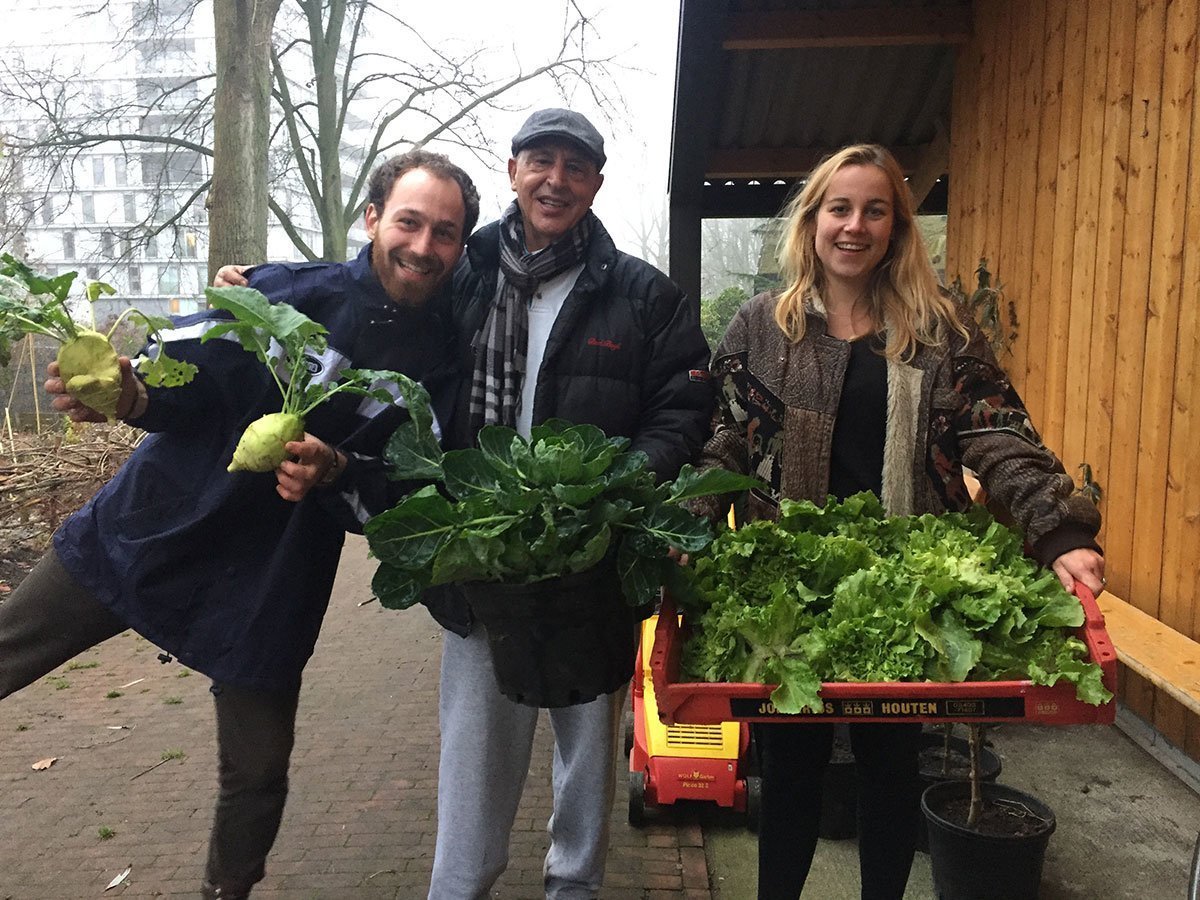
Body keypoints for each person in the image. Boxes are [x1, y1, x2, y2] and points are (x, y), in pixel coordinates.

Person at [0, 149, 480, 899]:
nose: (423, 246)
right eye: (409, 222)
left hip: (274, 575)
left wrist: (337, 468)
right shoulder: (283, 293)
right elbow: (180, 377)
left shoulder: (441, 365)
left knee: (257, 773)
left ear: (461, 246)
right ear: (373, 219)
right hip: (157, 523)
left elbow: (409, 487)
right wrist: (126, 394)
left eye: (444, 233)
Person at [690, 143, 1104, 900]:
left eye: (874, 211)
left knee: (889, 772)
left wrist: (1060, 532)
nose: (855, 226)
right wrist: (686, 529)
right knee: (790, 774)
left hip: (901, 596)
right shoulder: (761, 327)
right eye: (839, 208)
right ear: (813, 221)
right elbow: (720, 444)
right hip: (791, 592)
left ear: (897, 228)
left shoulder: (938, 330)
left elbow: (998, 434)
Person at [432, 108, 711, 899]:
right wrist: (266, 285)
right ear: (513, 170)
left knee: (587, 752)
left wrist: (617, 486)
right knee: (475, 750)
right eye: (541, 161)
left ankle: (574, 886)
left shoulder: (644, 295)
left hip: (595, 565)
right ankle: (458, 886)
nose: (556, 180)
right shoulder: (460, 273)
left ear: (596, 183)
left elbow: (684, 407)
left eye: (575, 167)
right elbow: (372, 290)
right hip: (483, 560)